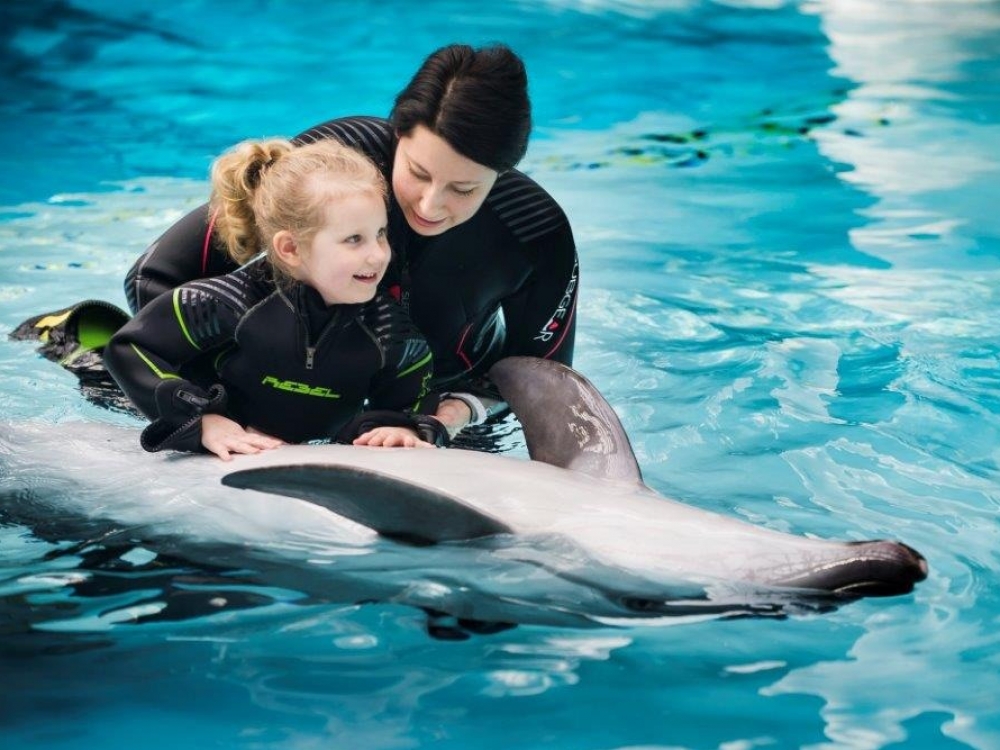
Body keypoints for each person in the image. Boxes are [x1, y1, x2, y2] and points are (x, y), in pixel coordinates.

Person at [124, 43, 579, 438]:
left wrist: (451, 417)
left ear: (500, 174)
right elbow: (154, 276)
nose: (430, 205)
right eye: (418, 173)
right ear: (398, 133)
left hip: (434, 417)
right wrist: (214, 409)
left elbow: (543, 381)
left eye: (464, 190)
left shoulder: (534, 233)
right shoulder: (337, 162)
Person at [103, 138, 445, 460]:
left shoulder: (393, 338)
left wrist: (398, 427)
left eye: (380, 234)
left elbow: (411, 406)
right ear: (291, 248)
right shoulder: (228, 304)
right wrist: (202, 418)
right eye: (354, 239)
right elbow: (129, 349)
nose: (378, 255)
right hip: (143, 408)